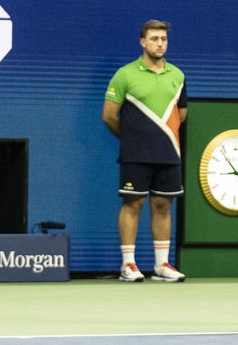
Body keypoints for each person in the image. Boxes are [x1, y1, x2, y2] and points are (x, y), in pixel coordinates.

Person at [102, 20, 187, 283]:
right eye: (154, 39)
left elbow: (181, 114)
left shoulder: (177, 75)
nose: (159, 43)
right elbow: (109, 116)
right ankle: (128, 264)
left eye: (163, 39)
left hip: (168, 154)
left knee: (163, 205)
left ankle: (162, 265)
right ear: (143, 42)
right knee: (132, 204)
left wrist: (161, 137)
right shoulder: (125, 75)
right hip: (135, 154)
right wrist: (132, 139)